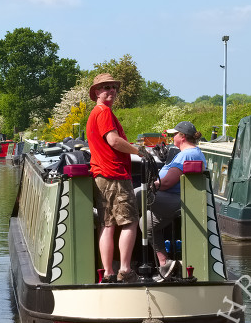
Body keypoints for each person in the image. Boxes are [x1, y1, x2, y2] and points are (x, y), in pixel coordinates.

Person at [86, 73, 144, 283]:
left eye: (114, 87)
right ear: (97, 93)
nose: (111, 91)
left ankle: (108, 272)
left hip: (101, 175)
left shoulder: (94, 113)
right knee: (130, 222)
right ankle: (126, 271)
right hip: (115, 175)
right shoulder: (104, 113)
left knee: (107, 225)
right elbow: (114, 141)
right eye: (106, 87)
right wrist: (138, 151)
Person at [144, 121, 207, 277]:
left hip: (176, 200)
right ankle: (165, 264)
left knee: (136, 195)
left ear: (183, 136)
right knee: (145, 224)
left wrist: (149, 185)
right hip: (173, 198)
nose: (172, 137)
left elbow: (166, 183)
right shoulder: (191, 152)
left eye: (174, 134)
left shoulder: (188, 154)